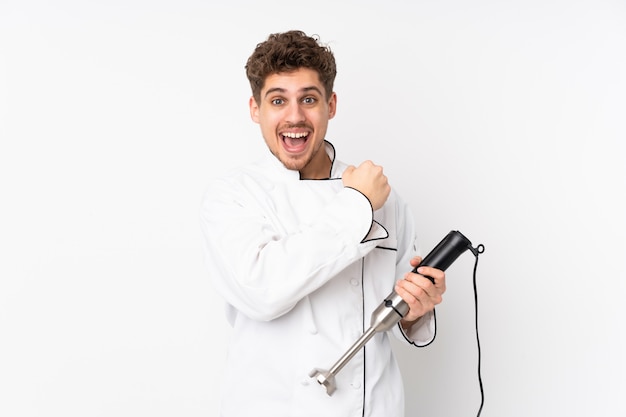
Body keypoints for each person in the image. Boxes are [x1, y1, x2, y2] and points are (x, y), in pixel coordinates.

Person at [200, 30, 446, 417]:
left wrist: (418, 309)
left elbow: (403, 305)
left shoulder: (382, 193)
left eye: (309, 99)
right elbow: (263, 291)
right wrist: (357, 204)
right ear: (255, 109)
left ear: (330, 105)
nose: (295, 116)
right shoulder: (234, 195)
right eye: (278, 100)